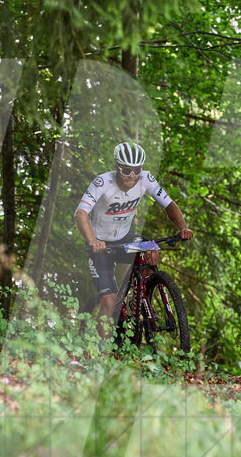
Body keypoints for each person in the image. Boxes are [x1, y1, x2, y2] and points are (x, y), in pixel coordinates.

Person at [74, 141, 193, 338]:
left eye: (136, 170)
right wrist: (92, 240)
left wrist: (183, 227)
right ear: (116, 167)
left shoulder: (146, 179)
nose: (131, 175)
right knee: (109, 302)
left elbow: (169, 204)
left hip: (125, 238)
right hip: (100, 246)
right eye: (126, 170)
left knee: (152, 250)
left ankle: (137, 301)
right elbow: (80, 214)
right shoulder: (102, 183)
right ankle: (100, 353)